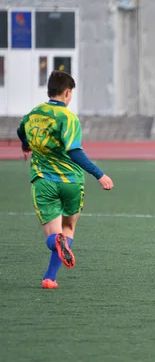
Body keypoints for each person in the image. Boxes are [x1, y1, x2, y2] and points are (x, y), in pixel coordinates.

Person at [16, 70, 114, 289]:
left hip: (43, 182)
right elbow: (74, 151)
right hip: (71, 182)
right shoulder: (68, 117)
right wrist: (100, 174)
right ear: (67, 92)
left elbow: (21, 130)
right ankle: (50, 278)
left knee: (53, 236)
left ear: (49, 90)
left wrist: (25, 146)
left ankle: (53, 261)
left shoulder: (34, 113)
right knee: (68, 227)